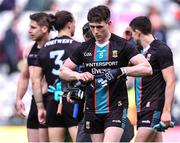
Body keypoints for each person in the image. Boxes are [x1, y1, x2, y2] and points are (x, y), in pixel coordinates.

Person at [59, 5, 152, 142]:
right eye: (92, 27)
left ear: (109, 24)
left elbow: (147, 68)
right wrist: (78, 75)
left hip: (116, 107)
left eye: (99, 27)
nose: (95, 31)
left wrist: (121, 70)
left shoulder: (122, 45)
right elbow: (63, 71)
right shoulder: (85, 48)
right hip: (92, 108)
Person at [76, 22, 135, 142]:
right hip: (91, 113)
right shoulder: (81, 52)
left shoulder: (115, 50)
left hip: (114, 111)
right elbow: (70, 76)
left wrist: (129, 43)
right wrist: (75, 91)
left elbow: (138, 65)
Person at [31, 10, 81, 142]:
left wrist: (40, 107)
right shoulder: (77, 46)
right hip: (73, 100)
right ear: (70, 24)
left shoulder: (45, 48)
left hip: (52, 102)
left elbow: (35, 81)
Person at [128, 16, 176, 142]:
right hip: (142, 107)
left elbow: (170, 80)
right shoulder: (138, 51)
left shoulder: (161, 49)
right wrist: (125, 40)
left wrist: (166, 111)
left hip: (154, 106)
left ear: (137, 32)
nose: (132, 36)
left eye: (132, 33)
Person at [15, 12, 52, 142]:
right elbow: (25, 76)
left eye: (33, 27)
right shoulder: (29, 50)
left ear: (44, 29)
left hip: (50, 101)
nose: (29, 31)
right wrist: (19, 98)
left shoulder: (54, 49)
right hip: (35, 101)